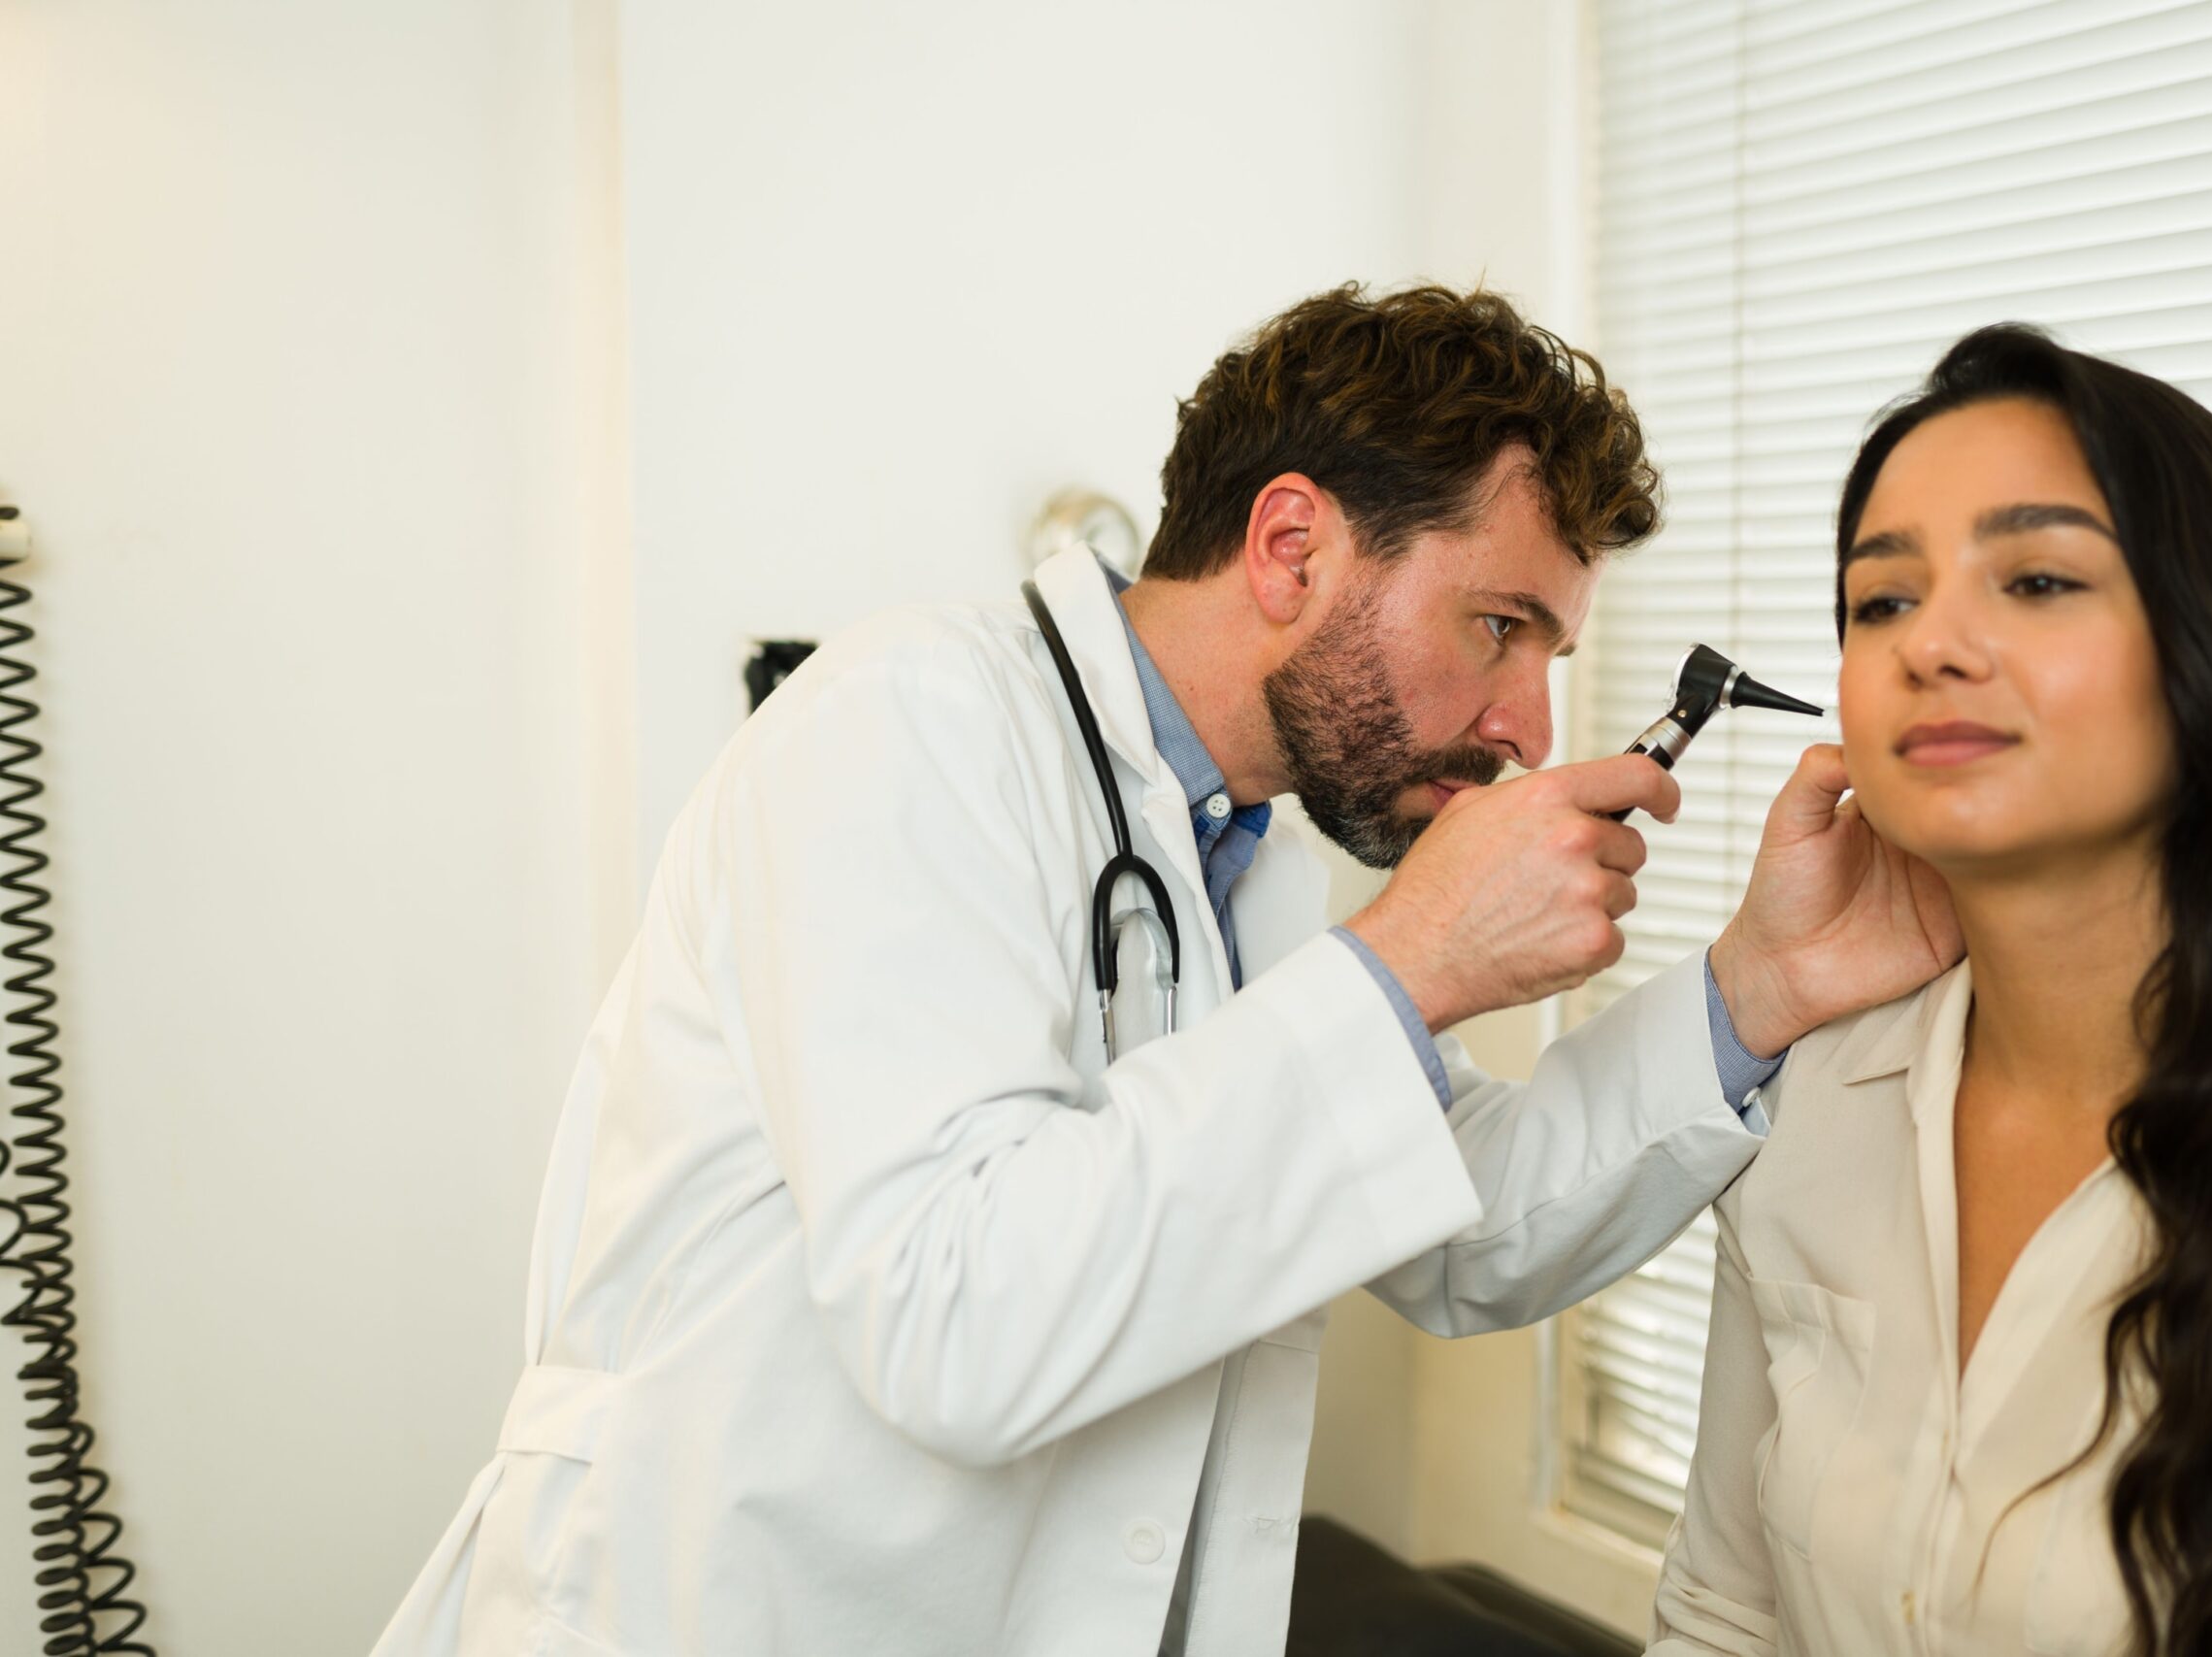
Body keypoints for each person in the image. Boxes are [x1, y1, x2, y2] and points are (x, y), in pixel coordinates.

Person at [373, 284, 1960, 1657]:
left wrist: (1762, 983)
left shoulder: (1243, 854)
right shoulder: (905, 728)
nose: (1530, 727)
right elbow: (955, 1316)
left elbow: (1467, 1228)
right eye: (1498, 627)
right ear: (1290, 546)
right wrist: (1410, 960)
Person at [1649, 325, 2212, 1656]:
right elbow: (1723, 1614)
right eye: (1883, 600)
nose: (1934, 644)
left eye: (2036, 579)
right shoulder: (1812, 1100)